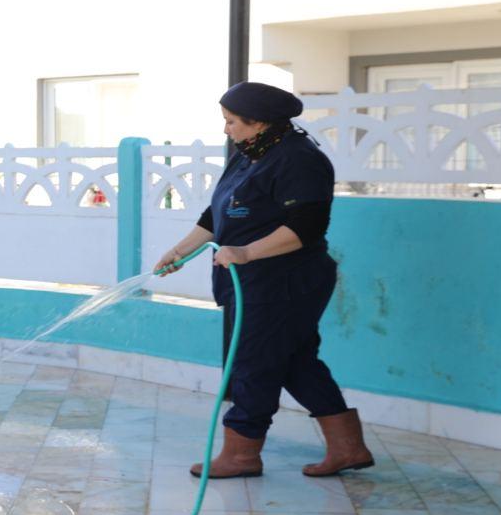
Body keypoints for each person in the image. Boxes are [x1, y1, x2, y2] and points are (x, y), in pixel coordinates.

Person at [154, 82, 374, 479]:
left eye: (232, 122)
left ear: (259, 123)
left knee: (254, 364)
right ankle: (348, 447)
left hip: (285, 281)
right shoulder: (251, 154)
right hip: (253, 278)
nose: (227, 130)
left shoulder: (299, 160)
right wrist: (181, 251)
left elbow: (306, 227)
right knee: (295, 362)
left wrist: (246, 252)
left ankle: (241, 455)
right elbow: (216, 213)